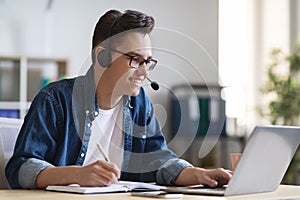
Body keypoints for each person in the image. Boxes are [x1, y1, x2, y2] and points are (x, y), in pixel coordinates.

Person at [5, 9, 232, 189]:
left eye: (147, 62)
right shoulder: (54, 100)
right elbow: (21, 167)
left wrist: (200, 174)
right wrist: (76, 174)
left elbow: (159, 160)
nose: (144, 73)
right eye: (135, 60)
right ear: (102, 56)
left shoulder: (139, 103)